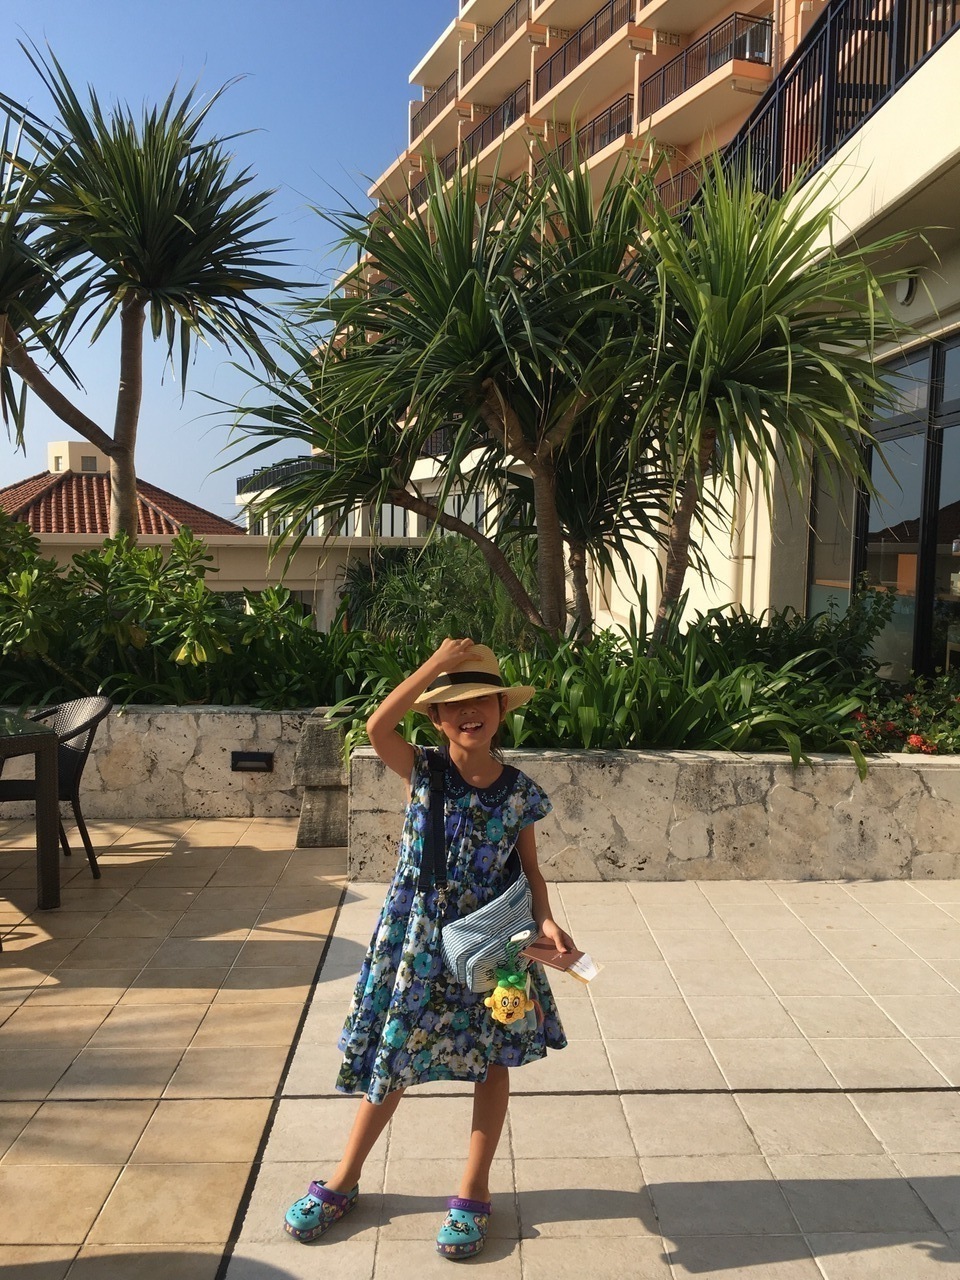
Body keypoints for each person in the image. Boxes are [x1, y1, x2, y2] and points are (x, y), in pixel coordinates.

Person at [284, 637, 573, 1260]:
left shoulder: (521, 792)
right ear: (437, 718)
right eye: (453, 703)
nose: (469, 712)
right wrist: (435, 667)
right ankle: (345, 1178)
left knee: (492, 1058)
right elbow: (376, 726)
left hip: (491, 944)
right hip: (416, 939)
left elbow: (529, 870)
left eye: (482, 700)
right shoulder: (423, 769)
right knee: (395, 1053)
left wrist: (547, 921)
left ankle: (474, 1189)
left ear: (502, 708)